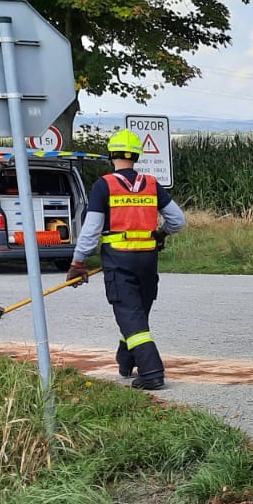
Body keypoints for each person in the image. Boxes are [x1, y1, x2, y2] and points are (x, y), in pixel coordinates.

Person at [66, 129, 186, 390]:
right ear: (137, 156)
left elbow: (91, 229)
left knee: (130, 314)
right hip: (147, 260)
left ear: (112, 155)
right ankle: (125, 359)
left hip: (119, 261)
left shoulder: (104, 185)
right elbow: (178, 220)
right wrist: (160, 233)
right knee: (136, 313)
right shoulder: (152, 184)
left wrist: (78, 263)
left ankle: (152, 371)